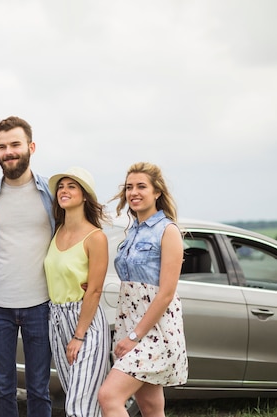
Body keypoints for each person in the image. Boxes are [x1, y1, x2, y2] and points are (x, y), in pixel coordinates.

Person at [98, 162, 188, 417]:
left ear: (157, 192)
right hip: (131, 323)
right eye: (129, 187)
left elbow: (166, 293)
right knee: (150, 407)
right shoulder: (133, 231)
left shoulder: (167, 231)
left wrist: (135, 336)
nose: (133, 192)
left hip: (154, 330)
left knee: (109, 396)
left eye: (141, 186)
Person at [0, 116, 55, 417]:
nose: (8, 152)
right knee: (3, 389)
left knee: (39, 388)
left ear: (31, 147)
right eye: (2, 146)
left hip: (40, 303)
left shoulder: (52, 195)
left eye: (15, 144)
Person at [44, 167, 111, 417]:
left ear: (85, 196)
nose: (64, 190)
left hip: (85, 323)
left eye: (72, 186)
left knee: (78, 406)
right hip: (56, 320)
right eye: (61, 186)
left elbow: (94, 290)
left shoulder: (96, 237)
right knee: (76, 394)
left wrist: (79, 335)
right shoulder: (56, 231)